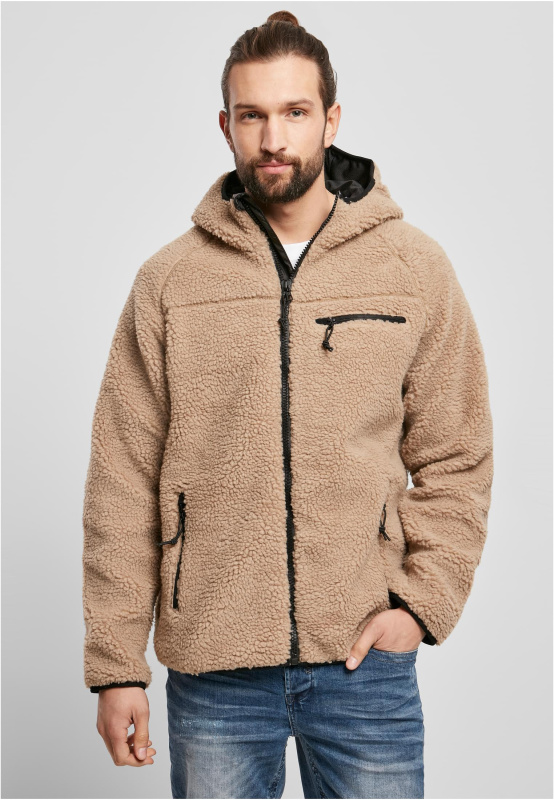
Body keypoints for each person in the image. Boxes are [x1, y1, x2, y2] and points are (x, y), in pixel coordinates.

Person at [82, 10, 494, 798]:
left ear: (331, 120)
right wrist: (116, 666)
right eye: (253, 116)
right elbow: (121, 479)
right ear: (226, 126)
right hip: (214, 670)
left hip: (364, 663)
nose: (274, 138)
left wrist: (420, 605)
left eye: (295, 112)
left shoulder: (413, 269)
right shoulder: (170, 283)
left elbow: (458, 453)